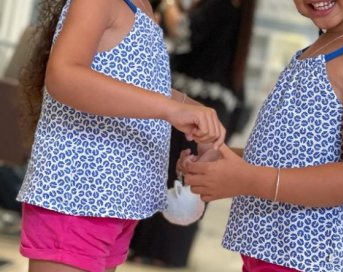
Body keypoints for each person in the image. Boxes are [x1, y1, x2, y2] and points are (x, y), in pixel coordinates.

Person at [178, 0, 343, 271]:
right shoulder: (321, 48)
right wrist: (226, 163)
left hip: (311, 261)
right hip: (269, 253)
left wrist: (246, 178)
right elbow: (294, 157)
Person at [16, 0, 226, 271]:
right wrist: (170, 109)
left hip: (116, 202)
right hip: (79, 196)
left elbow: (137, 83)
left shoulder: (144, 8)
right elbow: (63, 74)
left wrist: (192, 110)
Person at [129, 0, 256, 267]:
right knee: (186, 178)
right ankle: (161, 252)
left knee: (178, 177)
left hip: (196, 106)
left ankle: (156, 252)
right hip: (213, 105)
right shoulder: (236, 8)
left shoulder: (219, 6)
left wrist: (168, 4)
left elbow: (184, 33)